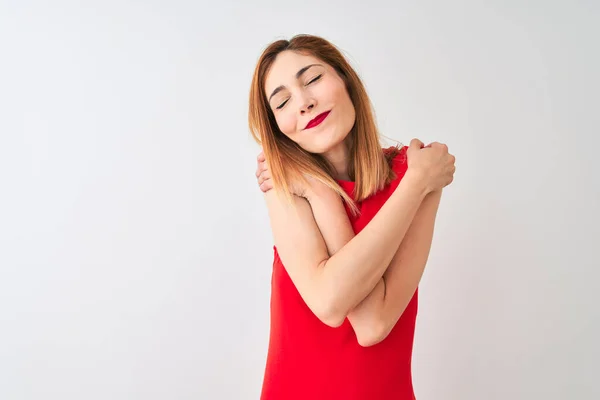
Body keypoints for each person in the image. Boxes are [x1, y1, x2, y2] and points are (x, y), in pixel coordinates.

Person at [247, 34, 456, 400]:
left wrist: (416, 180)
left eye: (312, 80)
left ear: (345, 79)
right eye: (282, 102)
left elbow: (374, 323)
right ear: (277, 126)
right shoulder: (287, 185)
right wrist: (322, 193)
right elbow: (331, 303)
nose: (304, 103)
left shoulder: (413, 171)